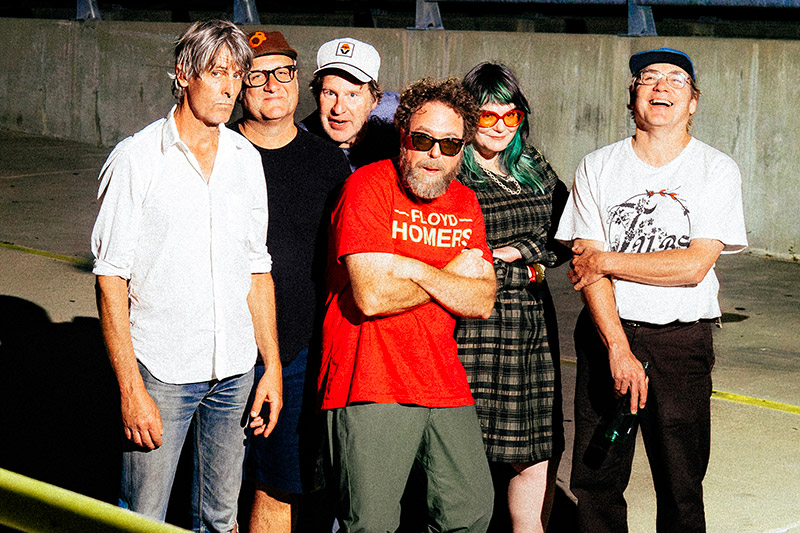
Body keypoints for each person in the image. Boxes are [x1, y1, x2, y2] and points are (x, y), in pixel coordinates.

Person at [91, 20, 282, 532]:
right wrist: (131, 388)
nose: (228, 88)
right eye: (215, 73)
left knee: (220, 518)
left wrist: (272, 368)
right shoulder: (136, 158)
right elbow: (111, 280)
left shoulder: (245, 159)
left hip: (235, 371)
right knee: (142, 518)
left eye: (237, 75)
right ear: (183, 74)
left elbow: (256, 269)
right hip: (162, 372)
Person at [555, 48, 747, 532]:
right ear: (632, 94)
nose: (662, 87)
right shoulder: (597, 167)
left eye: (676, 80)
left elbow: (693, 265)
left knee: (682, 486)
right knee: (596, 481)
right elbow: (586, 271)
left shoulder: (715, 169)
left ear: (694, 102)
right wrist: (617, 348)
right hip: (608, 337)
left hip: (682, 343)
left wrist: (608, 259)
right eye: (649, 78)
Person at [319, 77, 496, 532]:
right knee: (372, 523)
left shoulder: (465, 202)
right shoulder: (368, 187)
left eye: (450, 144)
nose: (435, 154)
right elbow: (372, 296)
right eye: (423, 140)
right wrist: (447, 273)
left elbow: (481, 300)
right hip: (369, 378)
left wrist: (411, 268)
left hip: (441, 376)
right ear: (404, 137)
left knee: (471, 510)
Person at [230, 30, 351, 533]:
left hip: (297, 351)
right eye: (257, 75)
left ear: (298, 81)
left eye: (283, 73)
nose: (272, 85)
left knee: (279, 484)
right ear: (240, 86)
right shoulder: (218, 150)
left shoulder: (326, 161)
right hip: (219, 347)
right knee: (209, 485)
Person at [454, 62, 565, 533]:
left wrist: (519, 253)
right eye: (487, 116)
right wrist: (518, 265)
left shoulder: (533, 165)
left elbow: (566, 233)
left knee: (534, 458)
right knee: (463, 470)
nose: (500, 127)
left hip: (531, 331)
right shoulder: (452, 172)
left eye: (511, 116)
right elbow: (459, 259)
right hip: (472, 332)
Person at [299, 36, 399, 171]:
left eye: (352, 95)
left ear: (374, 100)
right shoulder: (301, 144)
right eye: (330, 93)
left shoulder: (398, 115)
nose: (338, 109)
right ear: (317, 96)